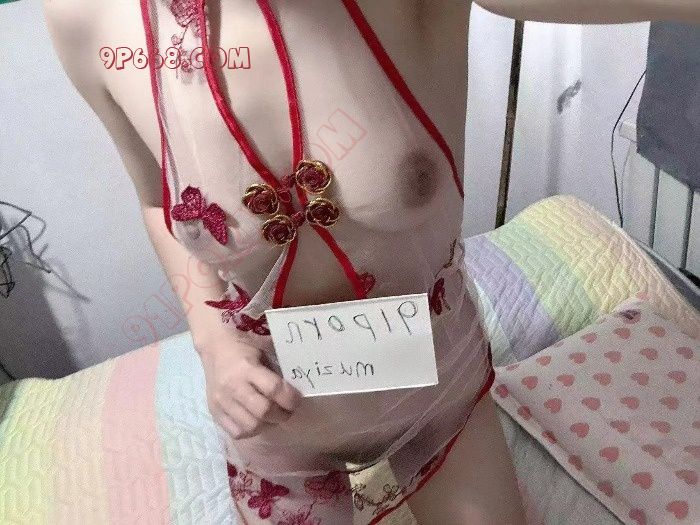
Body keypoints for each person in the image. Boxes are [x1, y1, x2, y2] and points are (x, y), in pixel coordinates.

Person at [45, 1, 698, 523]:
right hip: (278, 421)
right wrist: (214, 344)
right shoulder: (87, 16)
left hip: (438, 390)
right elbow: (157, 197)